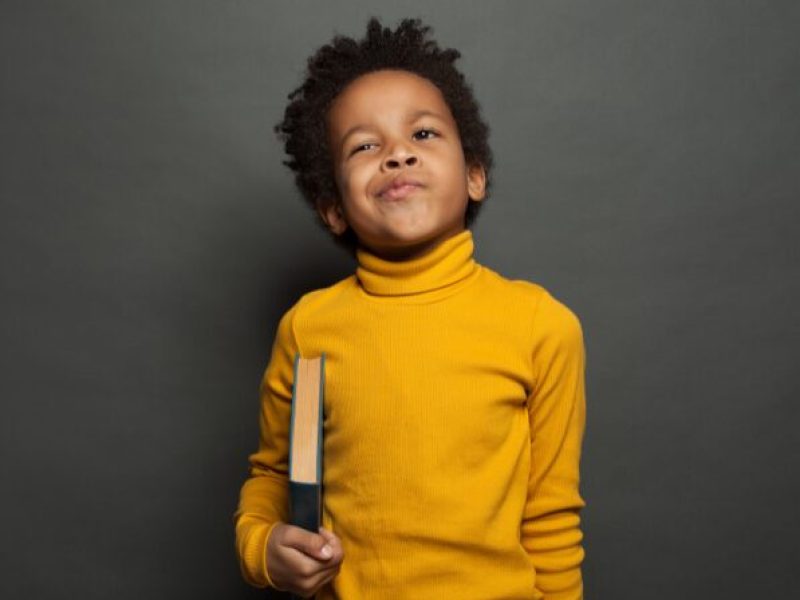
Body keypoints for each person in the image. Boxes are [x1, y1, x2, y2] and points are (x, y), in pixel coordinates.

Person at [233, 16, 587, 600]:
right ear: (334, 210)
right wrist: (263, 549)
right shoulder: (308, 328)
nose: (397, 155)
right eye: (365, 146)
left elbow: (551, 522)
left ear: (474, 175)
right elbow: (273, 477)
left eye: (423, 135)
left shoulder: (540, 326)